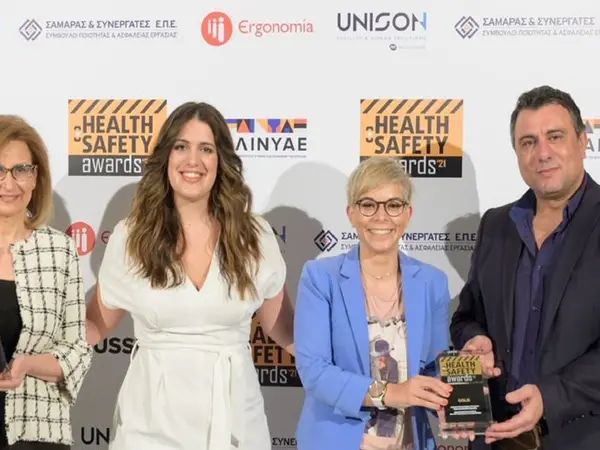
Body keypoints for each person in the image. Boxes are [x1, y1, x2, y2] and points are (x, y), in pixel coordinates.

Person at [85, 101, 294, 450]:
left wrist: (352, 373)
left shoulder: (255, 236)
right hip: (150, 425)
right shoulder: (131, 236)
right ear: (166, 156)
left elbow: (284, 328)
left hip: (235, 424)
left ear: (221, 160)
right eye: (181, 147)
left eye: (206, 149)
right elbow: (95, 326)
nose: (192, 161)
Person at [450, 85, 600, 450]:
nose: (543, 153)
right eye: (528, 142)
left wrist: (551, 397)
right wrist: (475, 340)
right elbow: (467, 316)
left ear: (582, 141)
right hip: (495, 437)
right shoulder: (496, 225)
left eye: (555, 137)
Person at [294, 156, 453, 450]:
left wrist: (456, 404)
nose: (381, 216)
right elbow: (315, 372)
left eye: (393, 205)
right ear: (351, 213)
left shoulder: (433, 282)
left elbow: (436, 369)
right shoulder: (320, 278)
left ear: (408, 213)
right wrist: (393, 393)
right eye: (368, 205)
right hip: (338, 442)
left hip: (409, 442)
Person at [0, 115, 92, 450]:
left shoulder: (59, 250)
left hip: (38, 430)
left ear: (36, 177)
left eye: (21, 170)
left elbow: (77, 350)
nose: (9, 183)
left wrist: (26, 365)